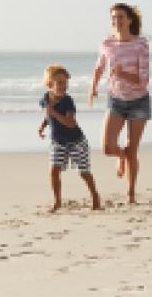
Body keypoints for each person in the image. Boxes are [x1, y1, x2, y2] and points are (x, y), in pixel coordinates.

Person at [89, 3, 150, 205]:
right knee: (107, 147)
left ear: (130, 20)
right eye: (114, 18)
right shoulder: (107, 43)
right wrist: (93, 87)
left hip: (138, 102)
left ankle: (131, 193)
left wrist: (122, 73)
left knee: (133, 149)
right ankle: (120, 157)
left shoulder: (140, 44)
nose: (117, 21)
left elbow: (143, 79)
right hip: (116, 100)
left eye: (121, 17)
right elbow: (99, 67)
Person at [38, 64, 101, 213]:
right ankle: (57, 201)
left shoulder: (68, 101)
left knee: (84, 172)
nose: (63, 86)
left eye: (65, 82)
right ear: (49, 84)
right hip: (57, 142)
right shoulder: (45, 99)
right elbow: (48, 115)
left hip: (76, 141)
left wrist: (53, 112)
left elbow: (70, 122)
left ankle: (95, 196)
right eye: (59, 82)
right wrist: (42, 126)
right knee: (54, 170)